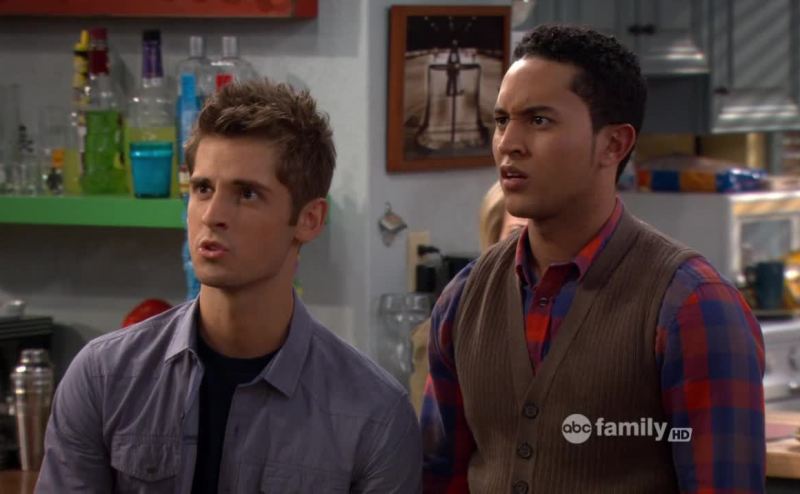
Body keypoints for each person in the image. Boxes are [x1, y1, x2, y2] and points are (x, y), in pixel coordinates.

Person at [421, 25, 765, 493]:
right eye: (502, 120)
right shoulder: (464, 300)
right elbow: (439, 478)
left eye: (539, 120)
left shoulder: (692, 306)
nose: (509, 143)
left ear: (614, 144)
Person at [37, 79, 422, 493]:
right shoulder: (104, 378)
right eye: (203, 189)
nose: (212, 215)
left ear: (309, 220)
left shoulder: (374, 417)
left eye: (247, 194)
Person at [409, 181, 526, 414]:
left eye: (545, 232)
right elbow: (432, 429)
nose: (531, 245)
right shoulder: (452, 323)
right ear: (494, 240)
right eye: (516, 233)